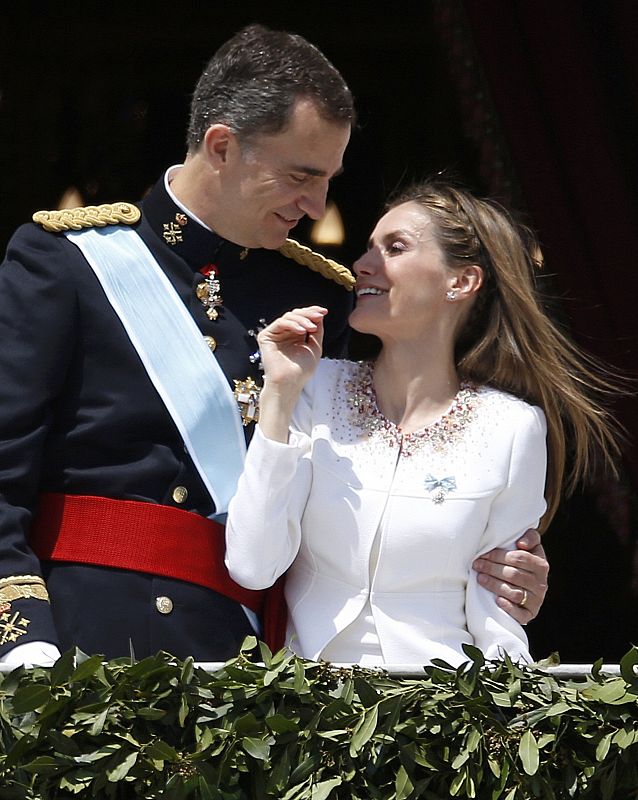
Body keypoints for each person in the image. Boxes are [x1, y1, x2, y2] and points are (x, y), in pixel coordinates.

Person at [0, 25, 546, 668]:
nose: (317, 206)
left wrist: (496, 568)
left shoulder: (325, 299)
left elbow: (372, 480)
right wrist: (22, 639)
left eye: (328, 181)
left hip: (251, 664)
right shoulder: (68, 265)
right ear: (223, 146)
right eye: (300, 175)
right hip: (82, 640)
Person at [225, 179, 621, 666]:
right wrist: (279, 395)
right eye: (369, 248)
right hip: (305, 710)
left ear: (461, 282)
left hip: (442, 711)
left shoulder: (513, 427)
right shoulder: (312, 387)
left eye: (395, 248)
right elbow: (252, 566)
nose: (363, 265)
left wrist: (510, 726)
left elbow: (497, 612)